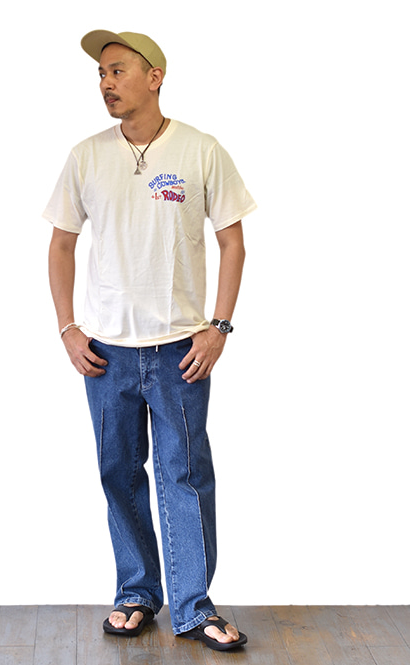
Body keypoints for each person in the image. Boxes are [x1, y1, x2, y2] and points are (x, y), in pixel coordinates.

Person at [44, 30, 257, 652]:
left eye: (117, 70)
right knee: (118, 473)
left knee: (183, 474)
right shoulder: (86, 156)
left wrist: (219, 326)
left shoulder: (200, 149)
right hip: (105, 353)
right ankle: (136, 593)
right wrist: (68, 328)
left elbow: (233, 242)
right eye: (101, 74)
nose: (106, 83)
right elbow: (60, 245)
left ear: (154, 76)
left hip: (179, 350)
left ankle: (193, 606)